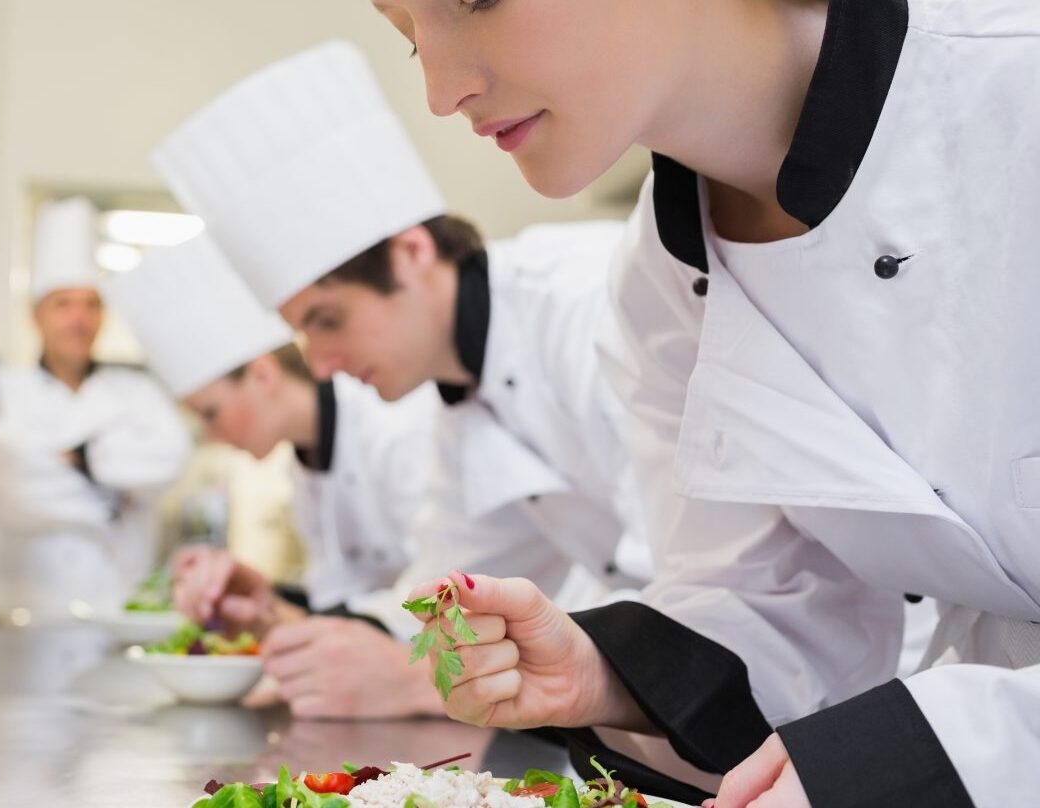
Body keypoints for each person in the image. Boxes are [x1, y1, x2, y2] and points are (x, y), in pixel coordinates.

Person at [376, 1, 1040, 806]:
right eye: (408, 37)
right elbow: (785, 602)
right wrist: (609, 672)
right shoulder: (661, 288)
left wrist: (914, 756)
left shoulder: (1016, 88)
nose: (440, 92)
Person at [153, 40, 651, 620]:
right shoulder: (463, 407)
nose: (319, 366)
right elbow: (443, 593)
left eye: (327, 321)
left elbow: (687, 571)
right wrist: (277, 611)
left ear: (411, 253)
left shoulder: (587, 302)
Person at [106, 234, 533, 719]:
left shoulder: (400, 424)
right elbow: (357, 605)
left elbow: (447, 593)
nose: (212, 435)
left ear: (263, 376)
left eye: (211, 413)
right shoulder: (304, 466)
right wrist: (268, 610)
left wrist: (398, 671)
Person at [0, 197, 191, 621]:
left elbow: (170, 460)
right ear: (36, 316)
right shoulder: (1, 392)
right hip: (23, 614)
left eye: (92, 304)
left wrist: (76, 460)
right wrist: (115, 495)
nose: (79, 318)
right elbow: (10, 487)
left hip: (116, 609)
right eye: (63, 304)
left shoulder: (139, 392)